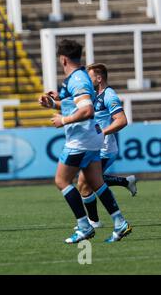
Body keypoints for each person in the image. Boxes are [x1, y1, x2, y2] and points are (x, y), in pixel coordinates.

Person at [38, 40, 132, 243]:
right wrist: (53, 104)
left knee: (61, 181)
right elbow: (76, 104)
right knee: (96, 182)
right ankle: (120, 223)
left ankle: (84, 227)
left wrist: (63, 120)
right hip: (92, 138)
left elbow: (87, 110)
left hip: (80, 140)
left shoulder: (77, 79)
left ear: (62, 59)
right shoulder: (80, 77)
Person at [75, 63, 137, 229]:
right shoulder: (95, 95)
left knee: (85, 182)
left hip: (105, 149)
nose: (87, 81)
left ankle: (93, 222)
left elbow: (122, 120)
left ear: (99, 78)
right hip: (95, 147)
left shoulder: (109, 96)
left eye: (90, 78)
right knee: (85, 183)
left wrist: (102, 133)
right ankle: (125, 182)